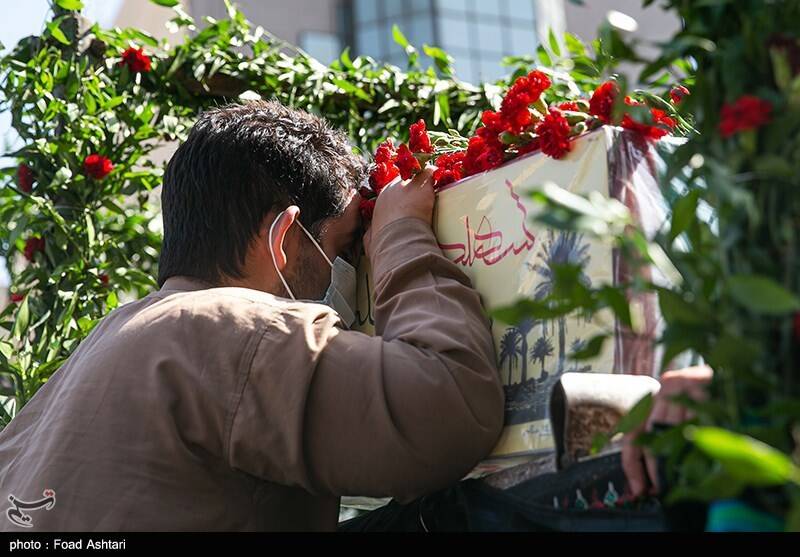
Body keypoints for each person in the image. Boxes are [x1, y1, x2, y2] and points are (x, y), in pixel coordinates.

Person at [0, 100, 505, 531]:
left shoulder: (102, 346)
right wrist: (400, 235)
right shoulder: (231, 326)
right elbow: (454, 409)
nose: (355, 269)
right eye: (347, 246)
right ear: (283, 236)